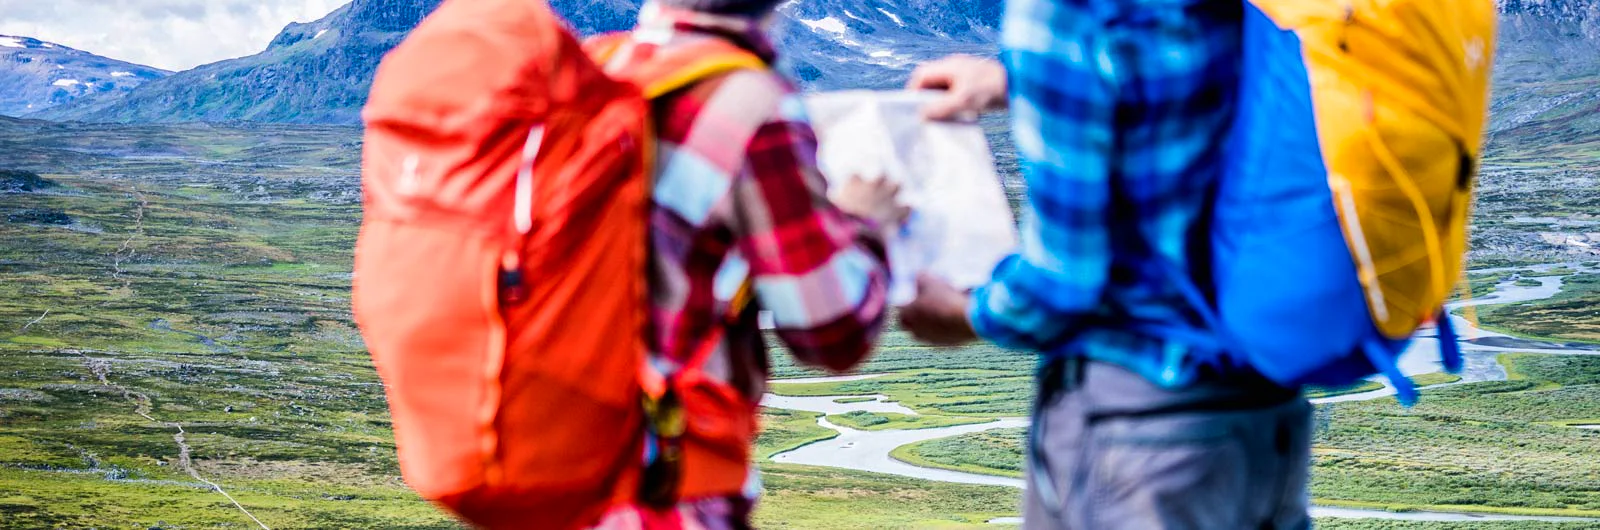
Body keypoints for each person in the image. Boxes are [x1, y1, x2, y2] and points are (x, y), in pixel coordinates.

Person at [900, 1, 1313, 529]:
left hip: (1141, 426)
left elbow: (1059, 283)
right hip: (1269, 407)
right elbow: (1188, 88)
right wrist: (1023, 81)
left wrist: (965, 314)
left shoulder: (1065, 12)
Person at [591, 1, 904, 528]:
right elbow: (830, 331)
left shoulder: (595, 66)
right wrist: (863, 224)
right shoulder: (747, 102)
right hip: (668, 483)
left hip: (565, 467)